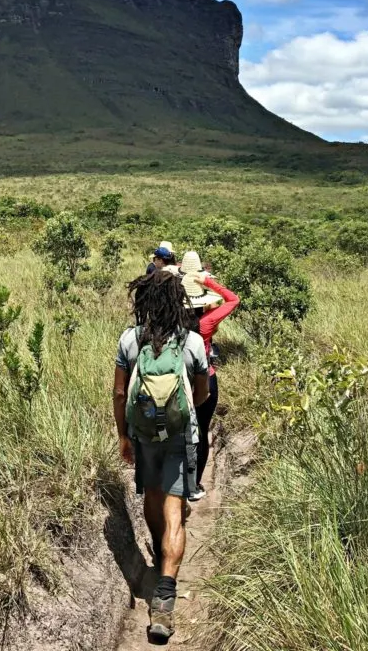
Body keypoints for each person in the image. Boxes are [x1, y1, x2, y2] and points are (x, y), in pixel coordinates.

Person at [113, 270, 210, 640]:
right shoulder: (192, 343)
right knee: (175, 510)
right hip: (180, 436)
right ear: (178, 301)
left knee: (153, 499)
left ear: (143, 302)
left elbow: (120, 394)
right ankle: (165, 599)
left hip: (143, 436)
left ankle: (158, 554)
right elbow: (201, 395)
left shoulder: (130, 340)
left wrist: (124, 436)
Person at [179, 250, 240, 500]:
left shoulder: (174, 317)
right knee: (201, 431)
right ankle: (195, 485)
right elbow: (233, 300)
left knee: (179, 429)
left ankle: (176, 479)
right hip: (206, 379)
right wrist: (208, 282)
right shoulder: (207, 323)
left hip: (178, 379)